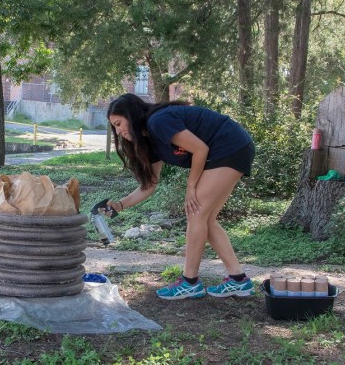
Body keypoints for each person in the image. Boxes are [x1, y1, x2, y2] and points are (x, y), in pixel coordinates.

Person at [103, 93, 256, 300]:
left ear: (131, 115)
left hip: (229, 145)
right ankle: (239, 280)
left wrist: (191, 187)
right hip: (230, 148)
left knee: (196, 213)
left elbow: (200, 149)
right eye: (115, 127)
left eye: (119, 124)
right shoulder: (150, 140)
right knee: (205, 218)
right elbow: (149, 186)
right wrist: (119, 205)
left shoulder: (159, 121)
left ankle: (190, 282)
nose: (119, 132)